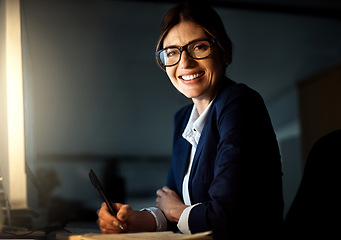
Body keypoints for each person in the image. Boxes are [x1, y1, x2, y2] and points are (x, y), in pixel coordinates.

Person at [97, 1, 284, 239]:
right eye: (172, 52)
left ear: (223, 51)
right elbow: (171, 200)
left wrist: (177, 210)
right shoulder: (183, 118)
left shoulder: (240, 103)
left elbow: (224, 219)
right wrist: (133, 219)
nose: (184, 63)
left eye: (199, 47)